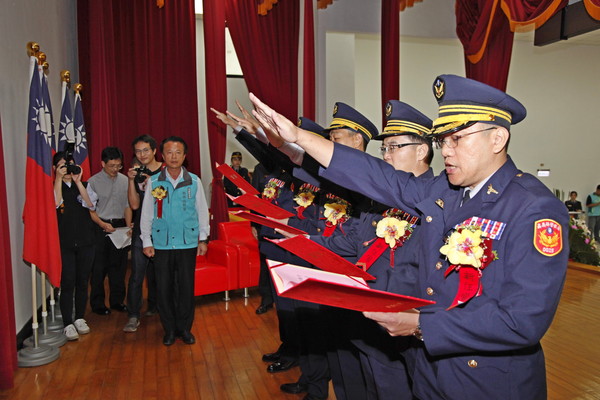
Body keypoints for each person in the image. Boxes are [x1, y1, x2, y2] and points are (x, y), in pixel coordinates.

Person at [249, 74, 569, 399]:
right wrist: (299, 138)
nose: (445, 150)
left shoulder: (533, 208)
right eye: (442, 140)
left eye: (456, 139)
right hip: (428, 372)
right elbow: (378, 176)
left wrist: (421, 326)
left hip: (487, 381)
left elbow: (522, 321)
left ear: (497, 138)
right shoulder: (444, 189)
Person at [140, 136, 210, 346]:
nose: (173, 157)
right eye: (169, 152)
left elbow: (201, 213)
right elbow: (147, 214)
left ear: (184, 156)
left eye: (178, 152)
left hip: (187, 242)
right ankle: (169, 329)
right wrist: (146, 241)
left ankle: (184, 329)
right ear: (162, 155)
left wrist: (203, 238)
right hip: (161, 244)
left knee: (186, 288)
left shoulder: (194, 181)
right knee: (164, 288)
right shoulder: (154, 181)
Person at [53, 151, 97, 341]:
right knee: (68, 282)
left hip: (86, 241)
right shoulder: (55, 188)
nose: (68, 169)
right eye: (63, 165)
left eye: (70, 164)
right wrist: (58, 178)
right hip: (65, 243)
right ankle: (67, 323)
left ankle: (79, 317)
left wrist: (79, 181)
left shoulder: (85, 186)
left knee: (82, 281)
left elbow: (91, 205)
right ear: (55, 168)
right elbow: (56, 203)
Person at [123, 135, 164, 333]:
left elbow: (167, 203)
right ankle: (132, 315)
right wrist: (131, 181)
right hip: (141, 230)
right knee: (137, 275)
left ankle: (161, 309)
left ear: (155, 150)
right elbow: (134, 205)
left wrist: (153, 184)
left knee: (162, 274)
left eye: (146, 150)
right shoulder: (136, 173)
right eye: (138, 151)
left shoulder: (165, 171)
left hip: (163, 231)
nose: (142, 155)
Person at [88, 147, 130, 315]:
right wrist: (102, 224)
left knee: (119, 268)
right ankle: (98, 304)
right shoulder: (93, 182)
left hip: (120, 226)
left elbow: (127, 205)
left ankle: (117, 301)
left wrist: (128, 226)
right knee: (98, 268)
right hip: (100, 226)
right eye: (111, 165)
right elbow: (90, 209)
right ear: (102, 163)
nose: (115, 169)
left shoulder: (125, 180)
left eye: (119, 166)